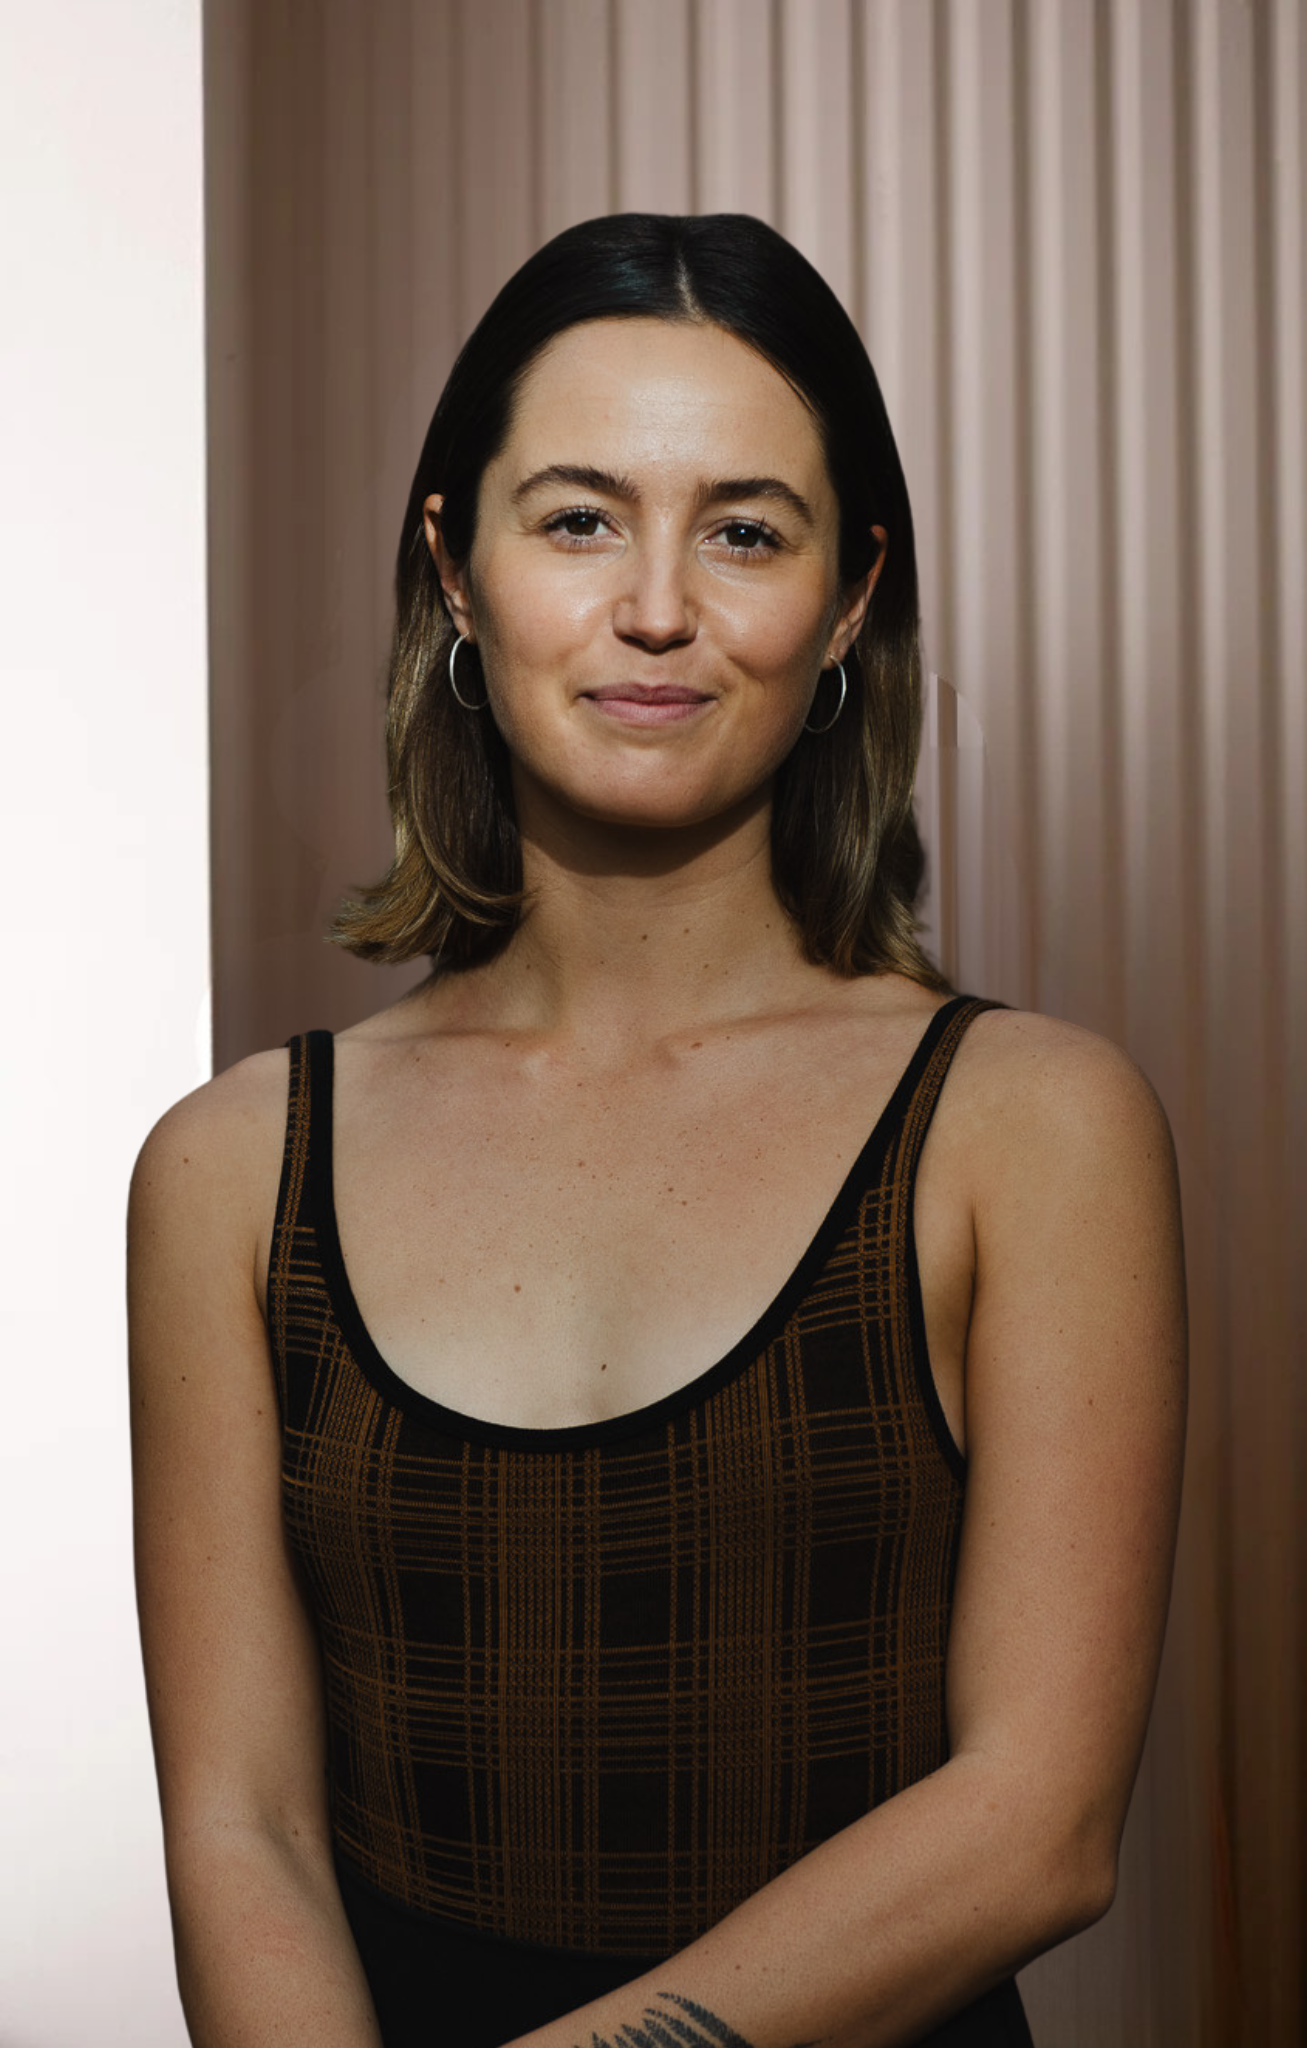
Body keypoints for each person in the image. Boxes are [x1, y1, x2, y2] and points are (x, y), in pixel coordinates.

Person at [128, 213, 1187, 2048]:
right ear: (456, 570)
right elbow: (248, 1827)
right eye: (580, 516)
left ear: (851, 600)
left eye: (746, 531)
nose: (658, 609)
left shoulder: (1032, 1129)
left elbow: (1042, 1827)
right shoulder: (230, 1172)